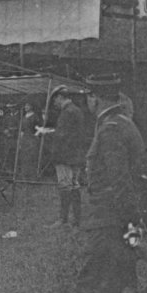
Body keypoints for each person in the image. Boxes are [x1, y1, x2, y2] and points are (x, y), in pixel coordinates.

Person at [67, 73, 147, 293]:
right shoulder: (123, 123)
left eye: (87, 97)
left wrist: (125, 222)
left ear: (94, 97)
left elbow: (118, 182)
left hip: (108, 222)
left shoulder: (111, 129)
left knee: (93, 285)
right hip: (120, 220)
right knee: (122, 285)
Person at [43, 86, 87, 228]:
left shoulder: (66, 112)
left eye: (55, 100)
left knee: (64, 186)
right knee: (75, 185)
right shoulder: (77, 111)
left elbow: (62, 135)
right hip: (76, 155)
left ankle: (63, 219)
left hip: (64, 156)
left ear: (60, 98)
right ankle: (77, 219)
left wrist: (48, 133)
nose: (55, 104)